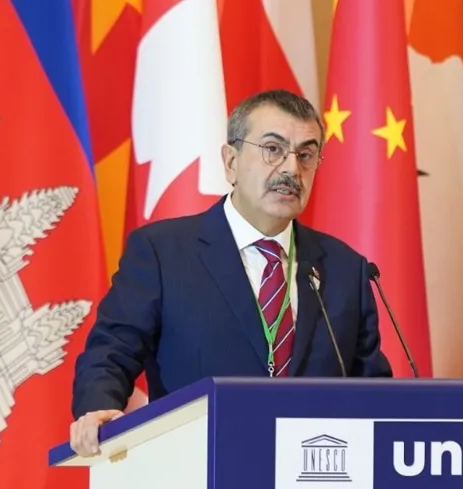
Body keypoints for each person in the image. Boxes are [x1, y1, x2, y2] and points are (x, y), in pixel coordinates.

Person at [69, 89, 392, 456]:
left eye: (306, 154)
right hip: (197, 465)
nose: (291, 169)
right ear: (231, 162)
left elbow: (373, 393)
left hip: (316, 471)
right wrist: (99, 407)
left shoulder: (345, 268)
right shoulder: (164, 252)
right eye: (273, 149)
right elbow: (112, 350)